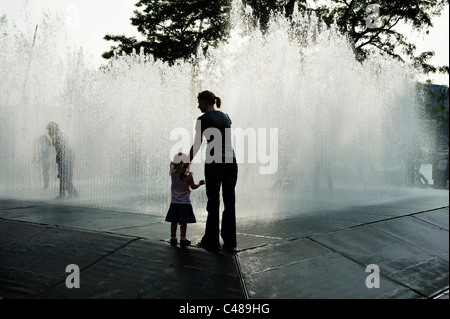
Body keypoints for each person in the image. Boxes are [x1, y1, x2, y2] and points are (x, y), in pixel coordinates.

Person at [189, 90, 238, 251]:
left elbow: (197, 144)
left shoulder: (203, 119)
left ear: (205, 101)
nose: (198, 106)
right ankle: (230, 240)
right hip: (231, 162)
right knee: (229, 201)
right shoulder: (226, 116)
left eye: (199, 102)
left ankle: (211, 241)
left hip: (214, 163)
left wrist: (187, 162)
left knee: (213, 201)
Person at [165, 152, 205, 247]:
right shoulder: (188, 175)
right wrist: (200, 183)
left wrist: (177, 158)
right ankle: (183, 239)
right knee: (183, 222)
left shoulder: (173, 172)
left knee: (173, 221)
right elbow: (193, 186)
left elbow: (171, 163)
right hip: (185, 203)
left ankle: (173, 238)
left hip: (174, 202)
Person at [46, 122, 78, 199]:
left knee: (63, 176)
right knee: (66, 177)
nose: (48, 131)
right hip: (66, 155)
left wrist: (58, 155)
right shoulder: (56, 135)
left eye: (50, 129)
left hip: (66, 156)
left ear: (54, 128)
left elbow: (63, 145)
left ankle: (62, 195)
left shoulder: (59, 135)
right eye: (48, 130)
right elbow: (55, 145)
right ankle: (74, 194)